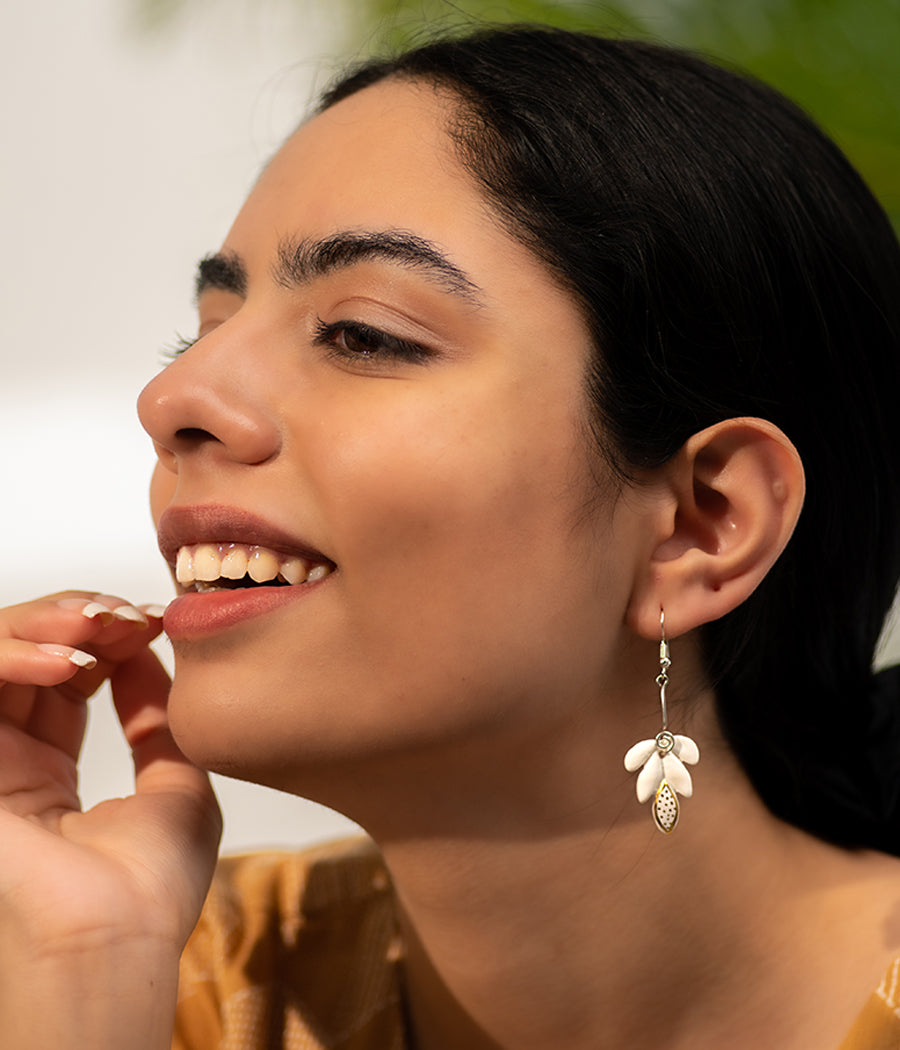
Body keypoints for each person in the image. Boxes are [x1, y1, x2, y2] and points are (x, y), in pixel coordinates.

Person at [1, 23, 899, 1050]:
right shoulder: (152, 976)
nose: (171, 398)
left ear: (703, 526)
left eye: (363, 334)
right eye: (203, 333)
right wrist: (78, 975)